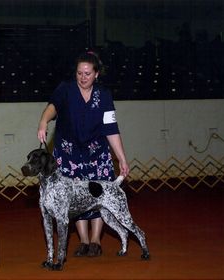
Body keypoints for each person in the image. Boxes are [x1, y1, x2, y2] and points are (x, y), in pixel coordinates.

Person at [37, 51, 129, 257]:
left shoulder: (104, 95)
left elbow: (111, 128)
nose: (83, 77)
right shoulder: (65, 89)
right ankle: (83, 240)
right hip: (69, 154)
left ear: (96, 74)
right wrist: (44, 120)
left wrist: (121, 158)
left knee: (99, 195)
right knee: (72, 197)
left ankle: (96, 240)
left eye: (88, 73)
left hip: (97, 154)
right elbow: (52, 107)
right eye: (80, 73)